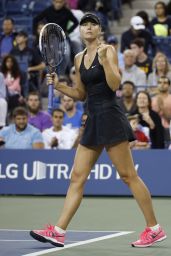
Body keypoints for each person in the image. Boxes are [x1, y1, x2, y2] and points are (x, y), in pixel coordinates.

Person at [30, 13, 166, 248]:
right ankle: (59, 231)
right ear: (80, 32)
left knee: (128, 176)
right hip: (93, 117)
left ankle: (154, 228)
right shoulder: (79, 58)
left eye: (93, 24)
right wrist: (60, 86)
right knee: (77, 176)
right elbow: (81, 94)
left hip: (111, 116)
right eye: (84, 25)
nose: (88, 27)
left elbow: (114, 85)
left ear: (99, 30)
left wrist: (104, 61)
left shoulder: (108, 50)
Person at [151, 76, 171, 147]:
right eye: (160, 82)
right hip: (155, 128)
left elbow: (169, 119)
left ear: (169, 85)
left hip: (168, 128)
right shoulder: (152, 99)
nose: (162, 84)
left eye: (165, 82)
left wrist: (162, 108)